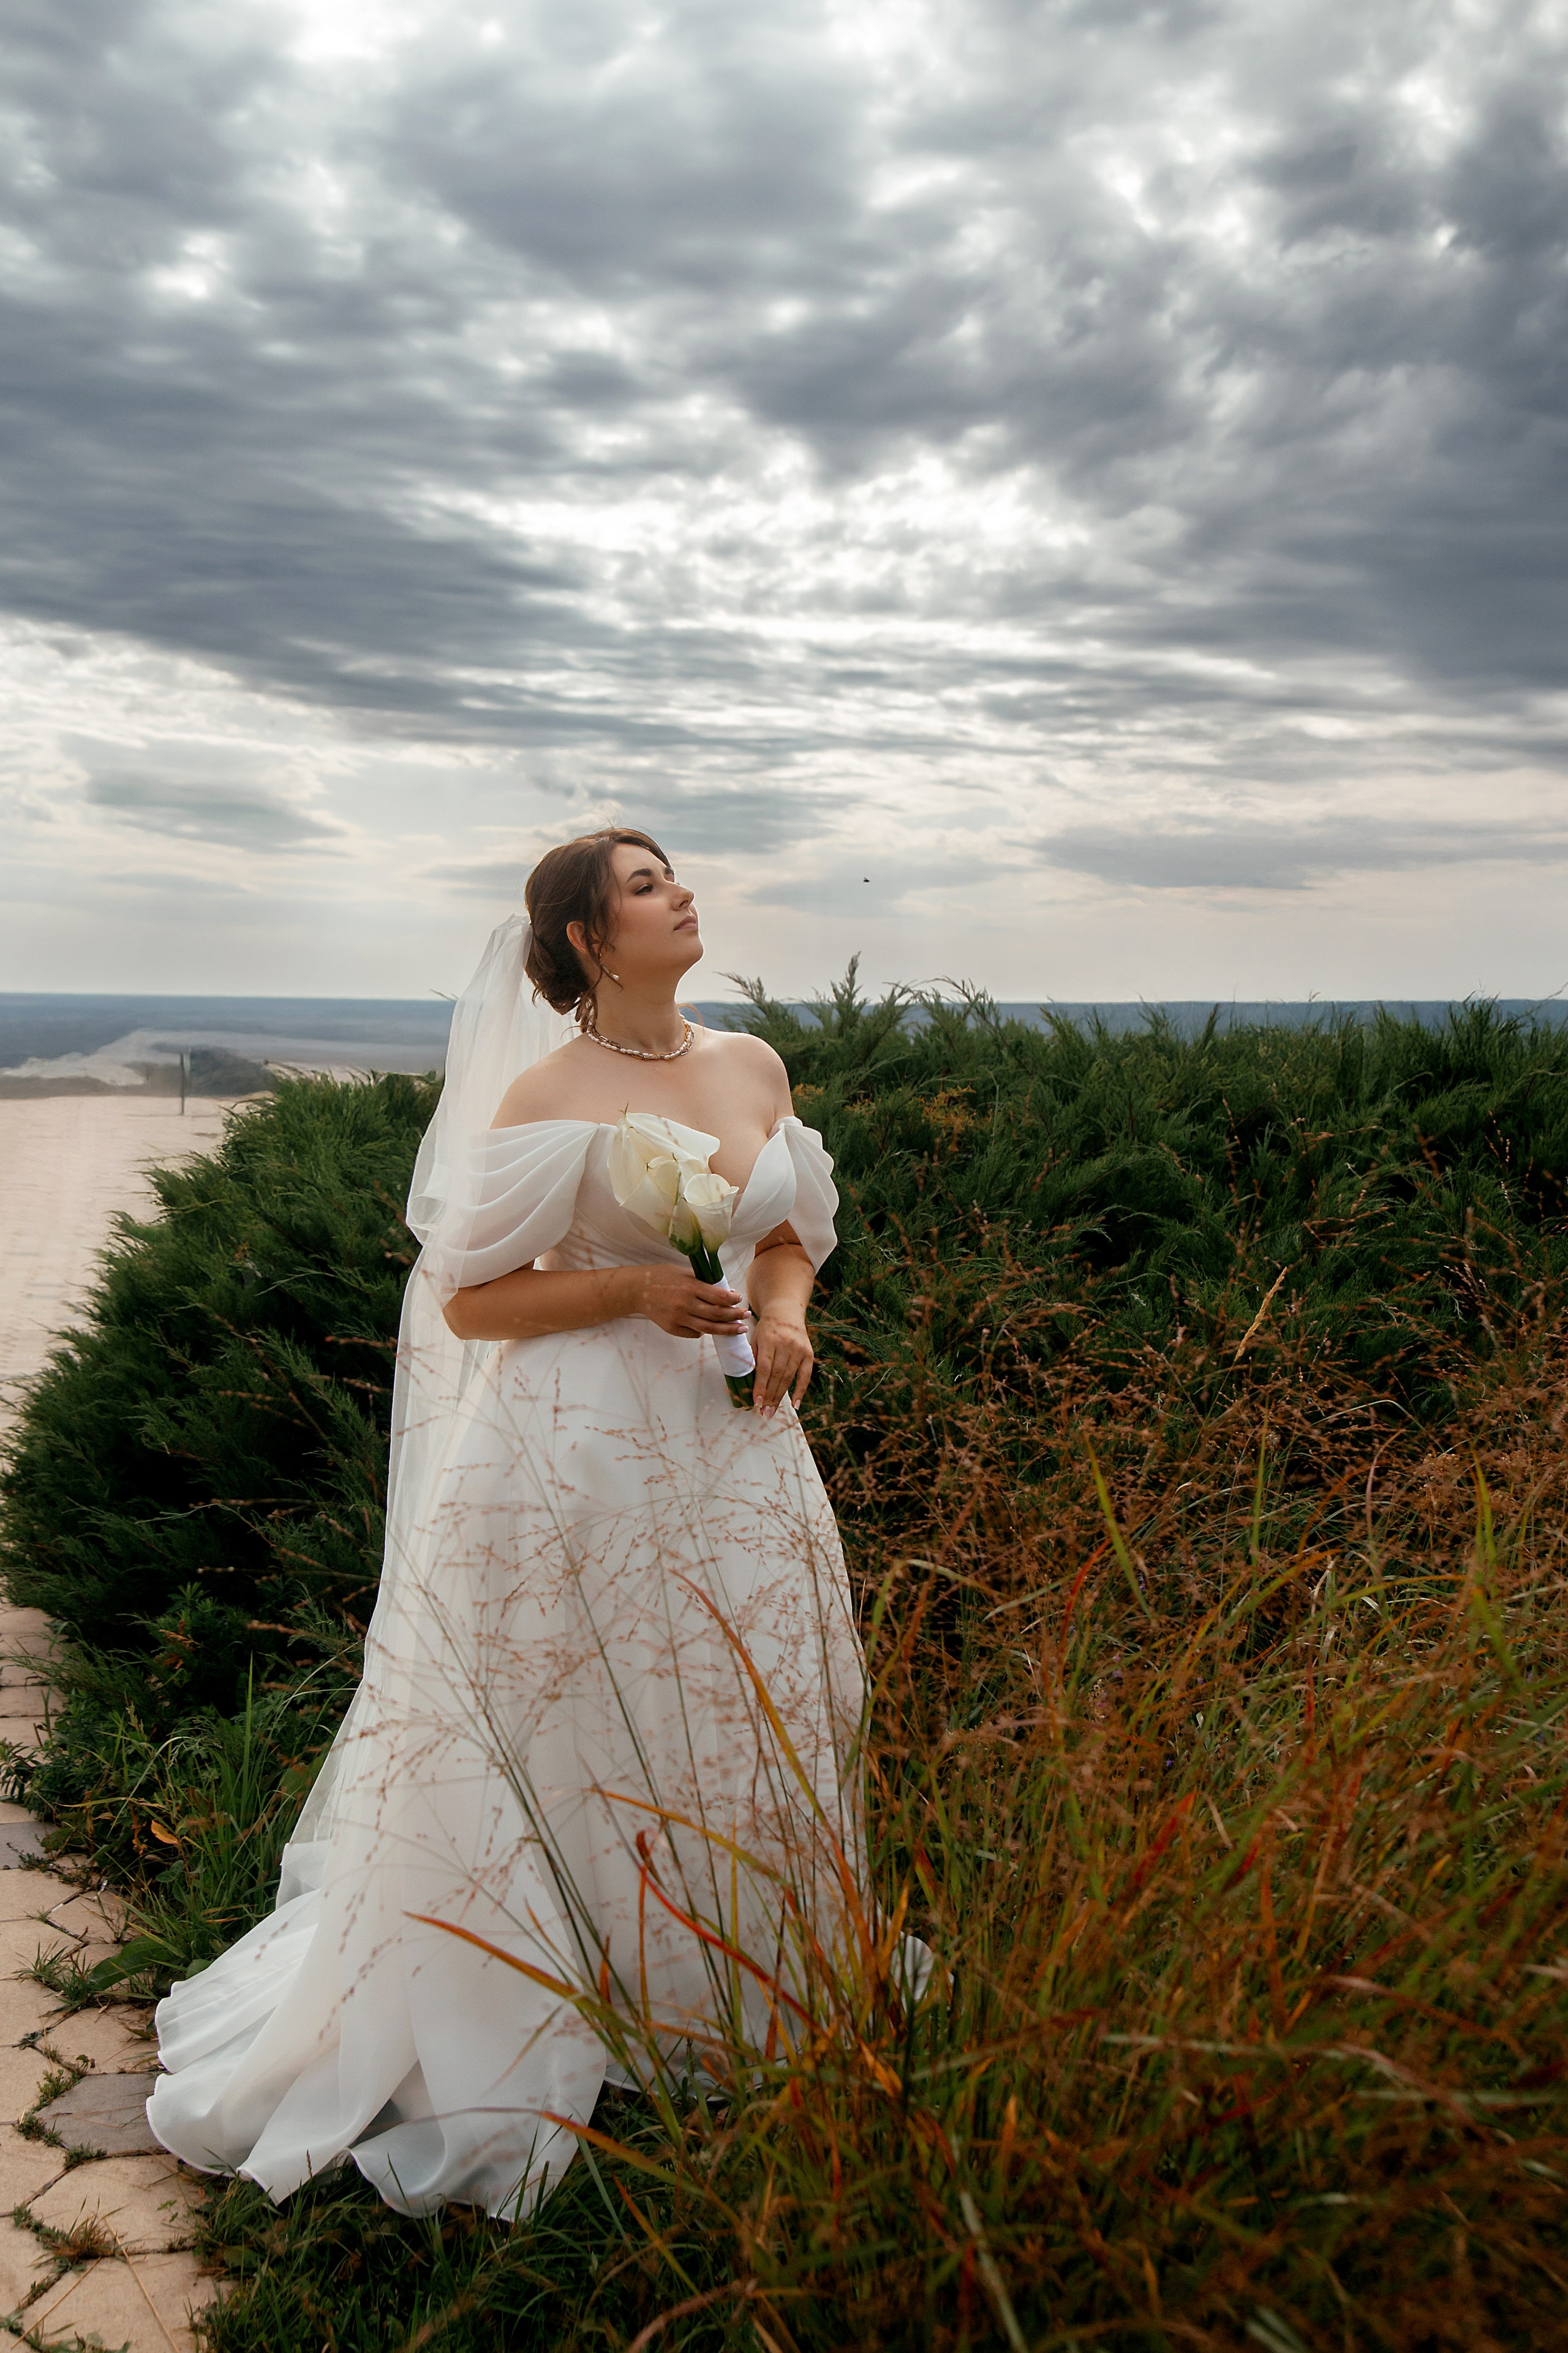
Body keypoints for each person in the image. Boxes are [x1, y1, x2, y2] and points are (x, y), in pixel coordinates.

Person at [148, 828, 870, 2219]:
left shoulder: (750, 1065)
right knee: (571, 1711)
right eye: (649, 884)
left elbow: (787, 1236)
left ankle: (718, 1986)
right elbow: (470, 1299)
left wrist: (781, 1321)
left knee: (739, 1696)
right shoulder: (547, 1088)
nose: (683, 892)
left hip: (734, 1453)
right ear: (591, 939)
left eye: (677, 873)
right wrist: (629, 1295)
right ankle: (554, 1996)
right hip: (570, 1456)